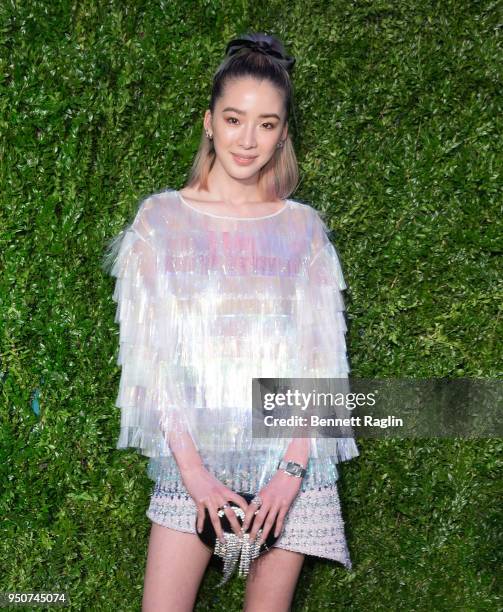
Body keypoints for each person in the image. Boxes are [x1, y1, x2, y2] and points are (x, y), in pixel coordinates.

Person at [102, 32, 359, 612]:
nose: (248, 139)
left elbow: (322, 364)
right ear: (209, 122)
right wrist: (196, 477)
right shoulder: (160, 221)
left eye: (267, 124)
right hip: (193, 467)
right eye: (235, 118)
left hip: (289, 471)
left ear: (283, 133)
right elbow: (151, 365)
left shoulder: (304, 230)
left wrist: (291, 473)